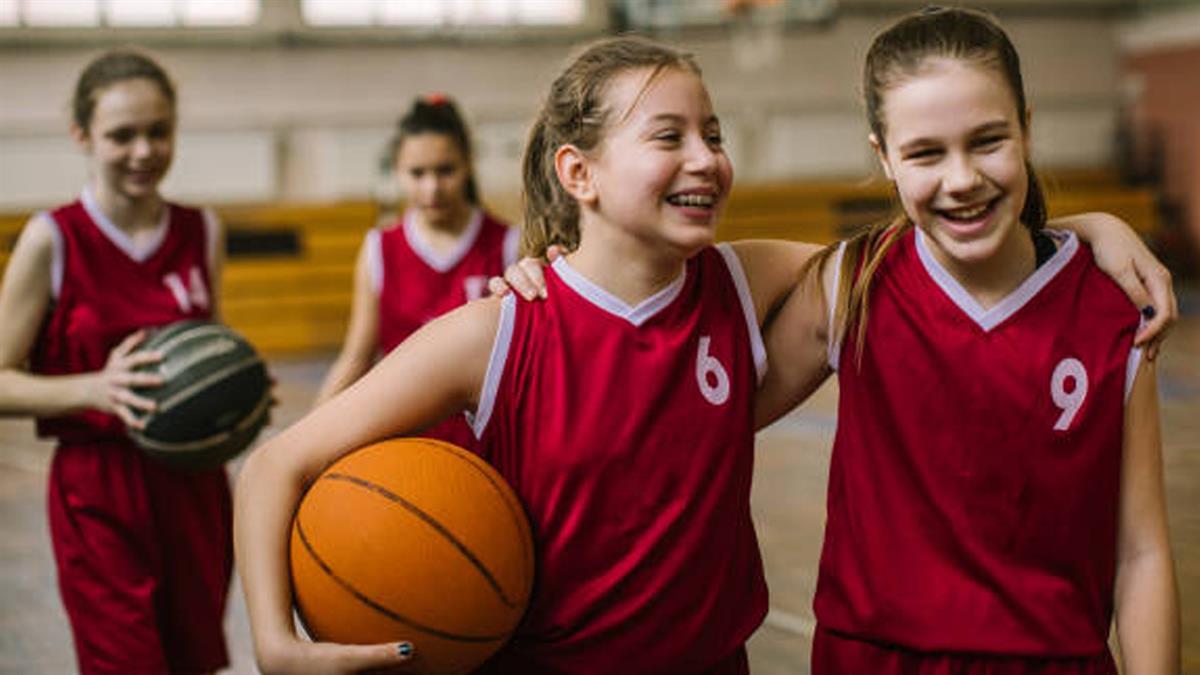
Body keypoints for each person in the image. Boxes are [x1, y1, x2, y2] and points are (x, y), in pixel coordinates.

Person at [235, 35, 1176, 675]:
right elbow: (278, 462)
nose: (706, 157)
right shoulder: (501, 328)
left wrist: (1086, 226)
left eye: (714, 135)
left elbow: (933, 248)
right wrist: (274, 641)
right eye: (670, 137)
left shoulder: (739, 281)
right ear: (580, 173)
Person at [756, 7, 1179, 673]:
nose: (961, 177)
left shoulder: (1114, 312)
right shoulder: (853, 285)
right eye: (926, 151)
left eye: (987, 141)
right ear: (885, 158)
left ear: (1027, 129)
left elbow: (1142, 552)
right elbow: (712, 420)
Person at [0, 50, 233, 674]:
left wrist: (237, 393)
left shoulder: (202, 230)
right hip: (98, 490)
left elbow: (210, 349)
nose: (143, 150)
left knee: (196, 661)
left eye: (158, 132)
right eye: (121, 135)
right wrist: (93, 390)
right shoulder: (52, 237)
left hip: (193, 486)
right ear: (82, 136)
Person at [315, 96, 519, 451]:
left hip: (486, 446)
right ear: (397, 170)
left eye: (445, 170)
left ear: (468, 164)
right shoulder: (379, 248)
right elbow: (356, 356)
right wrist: (307, 435)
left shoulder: (508, 244)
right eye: (417, 173)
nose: (432, 188)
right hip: (401, 442)